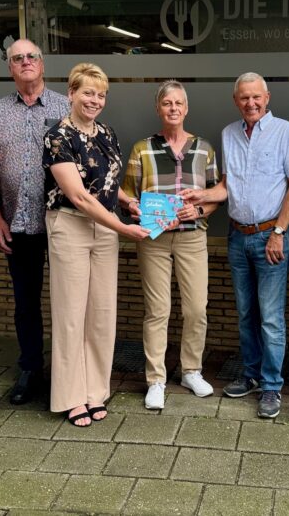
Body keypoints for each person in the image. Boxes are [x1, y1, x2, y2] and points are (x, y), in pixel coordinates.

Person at [182, 72, 289, 419]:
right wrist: (200, 195)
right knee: (245, 314)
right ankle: (251, 375)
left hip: (271, 236)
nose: (251, 103)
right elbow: (228, 186)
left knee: (271, 317)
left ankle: (271, 386)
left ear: (267, 98)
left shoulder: (285, 132)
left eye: (256, 97)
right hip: (237, 236)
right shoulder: (229, 134)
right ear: (236, 101)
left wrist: (280, 232)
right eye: (244, 98)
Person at [44, 63, 149, 427]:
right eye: (88, 92)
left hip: (104, 228)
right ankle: (71, 397)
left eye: (101, 95)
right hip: (70, 225)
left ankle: (95, 391)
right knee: (71, 315)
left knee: (102, 315)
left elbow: (106, 183)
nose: (95, 100)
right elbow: (79, 196)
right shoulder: (57, 136)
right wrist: (123, 227)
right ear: (71, 93)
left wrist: (129, 203)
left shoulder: (106, 132)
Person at [119, 80, 221, 410]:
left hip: (192, 237)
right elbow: (128, 195)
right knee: (157, 310)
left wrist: (200, 209)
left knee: (196, 309)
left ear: (186, 108)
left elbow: (215, 194)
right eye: (167, 103)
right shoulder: (142, 149)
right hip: (154, 239)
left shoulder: (204, 149)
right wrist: (135, 208)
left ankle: (191, 371)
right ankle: (156, 380)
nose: (173, 108)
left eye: (178, 103)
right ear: (158, 109)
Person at [0, 39, 69, 406]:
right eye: (17, 58)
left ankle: (67, 372)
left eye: (31, 56)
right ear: (10, 68)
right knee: (25, 302)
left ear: (42, 63)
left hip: (63, 220)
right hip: (17, 223)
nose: (25, 62)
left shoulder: (65, 107)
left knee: (67, 300)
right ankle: (31, 368)